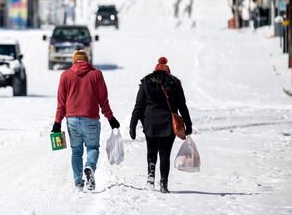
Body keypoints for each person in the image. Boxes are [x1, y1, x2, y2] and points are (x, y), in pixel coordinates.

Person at [52, 50, 120, 191]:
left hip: (72, 120)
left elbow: (61, 103)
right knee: (93, 148)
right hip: (91, 119)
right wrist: (111, 118)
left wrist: (57, 122)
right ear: (86, 60)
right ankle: (89, 166)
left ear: (74, 60)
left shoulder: (65, 75)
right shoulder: (96, 74)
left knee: (76, 152)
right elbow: (103, 100)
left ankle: (78, 183)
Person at [129, 57, 192, 193]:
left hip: (150, 123)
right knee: (165, 154)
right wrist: (188, 123)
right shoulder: (175, 83)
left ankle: (150, 178)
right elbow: (182, 106)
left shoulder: (146, 82)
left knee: (151, 151)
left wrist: (132, 125)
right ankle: (164, 183)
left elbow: (139, 106)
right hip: (168, 124)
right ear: (168, 71)